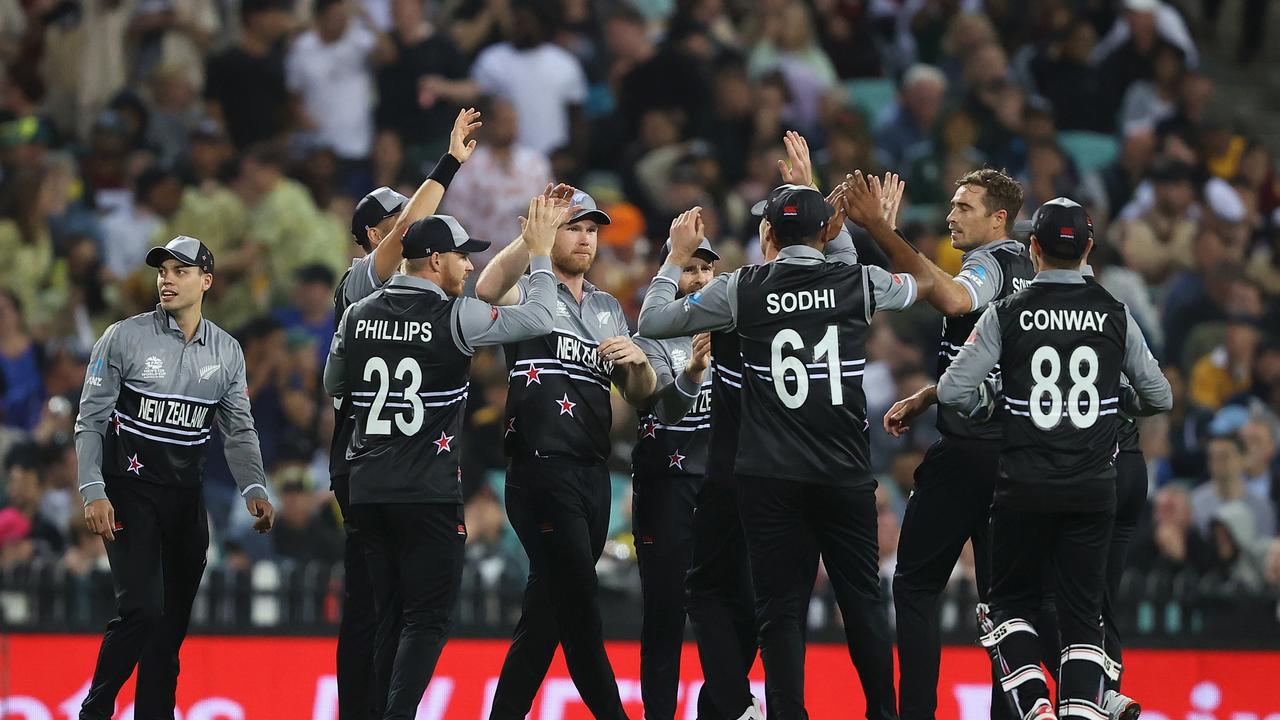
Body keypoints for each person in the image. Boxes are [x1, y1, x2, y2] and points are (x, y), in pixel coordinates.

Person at [638, 173, 933, 720]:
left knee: (781, 611)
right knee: (864, 601)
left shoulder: (741, 287)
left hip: (768, 475)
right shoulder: (859, 282)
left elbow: (654, 320)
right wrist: (877, 230)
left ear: (768, 233)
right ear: (826, 232)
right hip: (844, 471)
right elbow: (926, 284)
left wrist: (674, 259)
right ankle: (884, 715)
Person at [323, 200, 566, 720]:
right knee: (427, 620)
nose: (470, 266)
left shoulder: (357, 314)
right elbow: (543, 317)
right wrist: (541, 255)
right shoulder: (456, 314)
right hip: (428, 493)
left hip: (367, 490)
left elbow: (333, 387)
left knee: (388, 617)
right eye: (462, 257)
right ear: (434, 260)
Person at [936, 197, 1172, 720]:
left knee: (1007, 607)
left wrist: (994, 401)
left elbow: (954, 391)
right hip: (1093, 488)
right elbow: (1160, 397)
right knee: (1083, 618)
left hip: (1023, 484)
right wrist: (1114, 401)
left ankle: (1035, 707)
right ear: (1089, 248)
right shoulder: (1115, 311)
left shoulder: (1008, 311)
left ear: (1033, 248)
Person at [74, 235, 277, 720]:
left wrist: (253, 485)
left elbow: (238, 427)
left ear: (206, 280)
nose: (166, 279)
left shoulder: (227, 351)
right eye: (162, 271)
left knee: (169, 629)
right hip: (128, 492)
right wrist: (92, 489)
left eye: (179, 271)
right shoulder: (123, 337)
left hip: (186, 500)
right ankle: (95, 710)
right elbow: (90, 419)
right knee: (141, 608)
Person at [475, 186, 656, 720]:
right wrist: (528, 239)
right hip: (539, 470)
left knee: (547, 614)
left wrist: (639, 364)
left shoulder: (606, 307)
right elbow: (486, 288)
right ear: (549, 232)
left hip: (593, 476)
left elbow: (638, 395)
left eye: (590, 228)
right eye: (572, 226)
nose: (584, 238)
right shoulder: (530, 289)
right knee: (580, 607)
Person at [330, 108, 480, 720]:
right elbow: (416, 230)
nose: (408, 227)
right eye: (394, 223)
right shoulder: (360, 283)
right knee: (374, 605)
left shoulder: (403, 295)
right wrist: (448, 165)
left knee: (381, 603)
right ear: (373, 236)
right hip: (369, 454)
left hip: (384, 453)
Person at [881, 168, 1034, 720]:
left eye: (964, 206)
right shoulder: (1033, 270)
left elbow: (950, 298)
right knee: (1005, 605)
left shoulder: (988, 264)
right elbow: (994, 359)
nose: (951, 215)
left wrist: (882, 229)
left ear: (998, 218)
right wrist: (930, 395)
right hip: (1018, 458)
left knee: (917, 586)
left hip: (968, 451)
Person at [629, 236, 718, 720]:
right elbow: (665, 409)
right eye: (690, 268)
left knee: (726, 610)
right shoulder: (650, 337)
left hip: (721, 486)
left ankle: (719, 707)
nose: (700, 278)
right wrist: (694, 371)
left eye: (707, 269)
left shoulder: (731, 327)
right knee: (665, 614)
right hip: (666, 483)